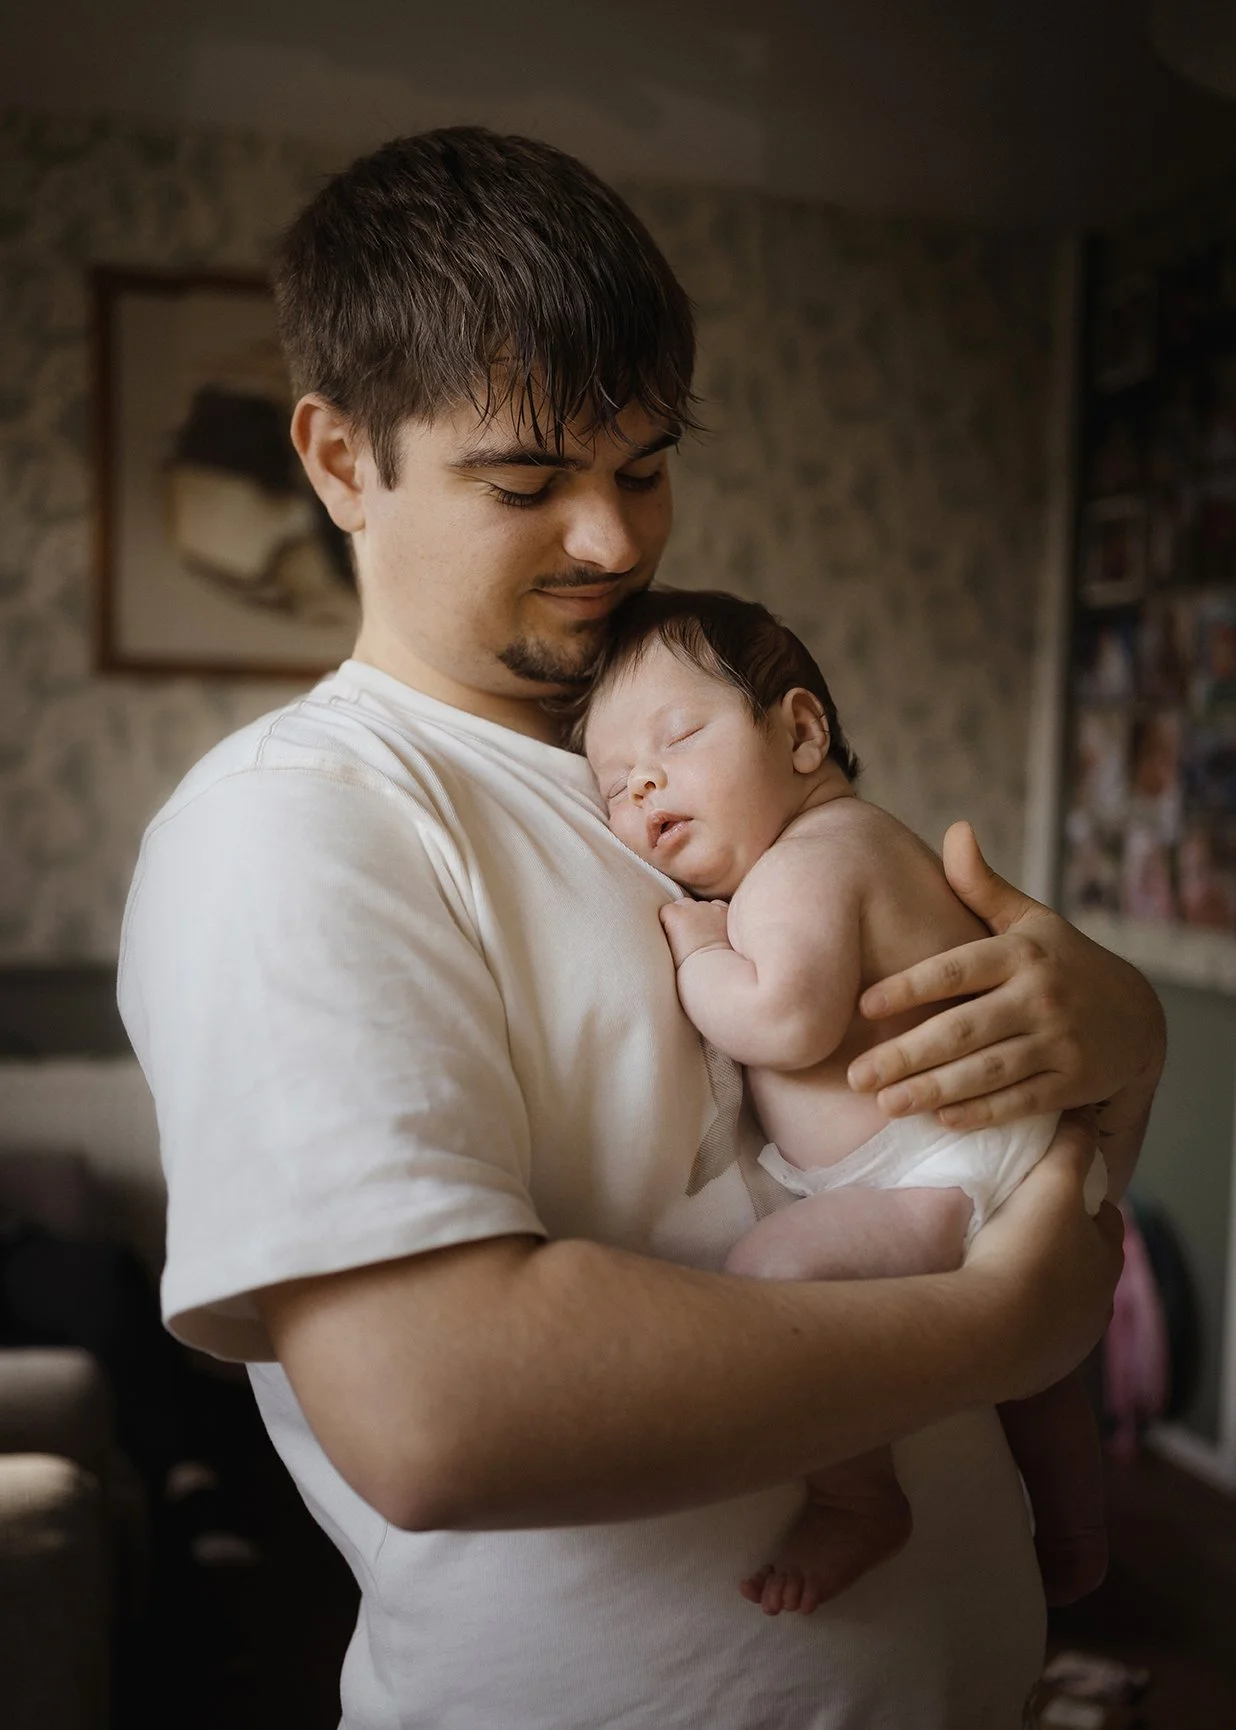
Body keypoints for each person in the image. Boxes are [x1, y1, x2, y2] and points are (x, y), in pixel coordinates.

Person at [118, 127, 1160, 1730]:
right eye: (529, 482)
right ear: (339, 461)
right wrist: (993, 1329)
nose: (614, 541)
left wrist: (1121, 1028)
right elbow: (435, 1410)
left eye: (645, 464)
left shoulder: (683, 789)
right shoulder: (301, 819)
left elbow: (966, 1146)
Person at [580, 586, 1111, 1619]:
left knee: (776, 1268)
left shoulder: (808, 861)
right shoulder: (860, 843)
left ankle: (858, 1494)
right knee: (1037, 1377)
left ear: (802, 732)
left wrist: (699, 954)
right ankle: (1080, 1529)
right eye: (611, 785)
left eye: (678, 736)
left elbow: (786, 1021)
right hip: (993, 1152)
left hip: (938, 1166)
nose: (643, 781)